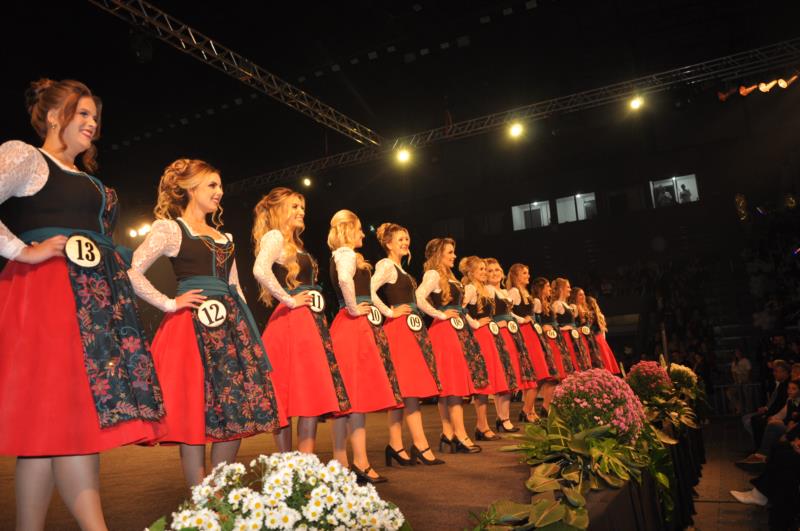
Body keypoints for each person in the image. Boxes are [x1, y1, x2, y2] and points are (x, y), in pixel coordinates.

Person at [0, 78, 165, 530]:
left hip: (94, 305)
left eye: (96, 117)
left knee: (49, 428)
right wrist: (22, 250)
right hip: (49, 299)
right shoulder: (26, 157)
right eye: (82, 114)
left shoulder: (92, 182)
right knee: (67, 418)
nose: (93, 124)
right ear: (54, 116)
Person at [128, 159, 282, 486]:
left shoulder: (225, 237)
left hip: (230, 327)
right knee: (192, 412)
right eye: (212, 185)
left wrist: (246, 330)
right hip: (190, 328)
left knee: (235, 408)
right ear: (189, 188)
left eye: (220, 185)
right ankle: (200, 500)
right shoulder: (170, 229)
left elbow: (237, 286)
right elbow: (131, 272)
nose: (220, 192)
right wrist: (170, 303)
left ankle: (217, 491)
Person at [252, 187, 350, 454]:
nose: (301, 211)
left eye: (302, 207)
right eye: (294, 206)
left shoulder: (295, 244)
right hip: (292, 325)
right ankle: (288, 466)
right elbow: (260, 270)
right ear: (278, 210)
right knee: (286, 398)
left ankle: (303, 466)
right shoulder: (274, 237)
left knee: (308, 398)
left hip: (310, 324)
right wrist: (290, 300)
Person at [327, 210, 403, 483]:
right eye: (359, 229)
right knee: (354, 399)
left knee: (348, 400)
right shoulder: (345, 253)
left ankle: (343, 463)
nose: (362, 234)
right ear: (348, 230)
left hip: (349, 326)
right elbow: (346, 281)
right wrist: (353, 308)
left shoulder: (345, 255)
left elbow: (364, 289)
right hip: (352, 327)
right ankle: (357, 462)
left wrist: (385, 313)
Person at [371, 222, 444, 466]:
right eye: (400, 239)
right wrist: (389, 313)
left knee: (405, 390)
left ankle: (396, 445)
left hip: (411, 329)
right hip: (399, 330)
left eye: (407, 238)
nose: (405, 242)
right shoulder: (386, 265)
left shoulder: (401, 270)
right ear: (388, 243)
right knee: (408, 388)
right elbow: (368, 291)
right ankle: (420, 445)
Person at [416, 238, 484, 454]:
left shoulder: (450, 276)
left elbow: (462, 307)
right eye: (450, 252)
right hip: (444, 332)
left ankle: (448, 434)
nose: (454, 255)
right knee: (452, 386)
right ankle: (460, 434)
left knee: (449, 386)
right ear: (438, 254)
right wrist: (439, 314)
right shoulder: (433, 274)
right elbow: (418, 297)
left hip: (456, 331)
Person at [485, 258, 537, 432]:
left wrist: (522, 320)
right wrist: (493, 323)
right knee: (505, 376)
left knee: (510, 375)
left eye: (497, 270)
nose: (494, 273)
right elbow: (482, 312)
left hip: (511, 333)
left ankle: (503, 418)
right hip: (498, 334)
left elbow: (511, 314)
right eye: (490, 270)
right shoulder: (487, 290)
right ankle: (503, 418)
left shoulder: (504, 292)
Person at [507, 264, 558, 422]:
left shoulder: (525, 293)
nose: (528, 276)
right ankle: (527, 410)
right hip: (525, 332)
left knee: (540, 373)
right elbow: (506, 311)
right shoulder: (514, 292)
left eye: (528, 273)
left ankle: (528, 410)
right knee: (536, 373)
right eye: (524, 273)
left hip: (532, 333)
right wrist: (523, 320)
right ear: (516, 276)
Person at [737, 379, 799, 465]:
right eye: (789, 388)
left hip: (795, 430)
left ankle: (762, 454)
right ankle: (761, 453)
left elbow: (794, 421)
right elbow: (786, 416)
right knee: (766, 422)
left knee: (773, 426)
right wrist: (777, 420)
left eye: (794, 389)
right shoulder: (790, 400)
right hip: (789, 426)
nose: (790, 391)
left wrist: (788, 426)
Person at [742, 360, 790, 451]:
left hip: (781, 416)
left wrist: (769, 415)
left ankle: (762, 449)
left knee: (756, 421)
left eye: (776, 371)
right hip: (775, 412)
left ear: (784, 372)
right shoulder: (781, 384)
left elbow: (781, 405)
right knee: (753, 419)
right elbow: (775, 403)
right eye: (774, 371)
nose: (774, 374)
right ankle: (759, 447)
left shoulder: (786, 386)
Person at [728, 348, 753, 415]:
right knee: (729, 393)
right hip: (738, 382)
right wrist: (736, 381)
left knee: (747, 395)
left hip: (746, 381)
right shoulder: (734, 363)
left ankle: (748, 411)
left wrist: (745, 380)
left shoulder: (746, 361)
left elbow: (748, 372)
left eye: (738, 352)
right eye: (736, 353)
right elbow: (733, 373)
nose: (737, 354)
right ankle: (739, 407)